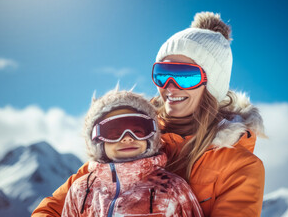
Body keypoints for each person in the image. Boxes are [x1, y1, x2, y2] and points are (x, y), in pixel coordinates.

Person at [32, 12, 266, 217]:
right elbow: (53, 208)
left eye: (185, 76)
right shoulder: (135, 133)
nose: (170, 86)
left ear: (211, 84)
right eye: (163, 73)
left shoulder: (239, 167)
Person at [61, 88, 203, 216]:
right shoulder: (81, 190)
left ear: (151, 135)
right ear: (97, 140)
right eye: (114, 133)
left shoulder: (172, 188)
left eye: (138, 132)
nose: (127, 138)